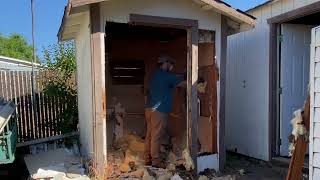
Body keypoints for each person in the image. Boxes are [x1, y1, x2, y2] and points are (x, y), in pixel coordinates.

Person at [144, 55, 186, 168]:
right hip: (159, 110)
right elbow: (183, 84)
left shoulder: (155, 75)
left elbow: (172, 80)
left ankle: (147, 158)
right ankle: (156, 162)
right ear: (165, 63)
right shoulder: (167, 76)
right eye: (170, 63)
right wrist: (195, 80)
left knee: (150, 134)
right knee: (156, 136)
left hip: (150, 108)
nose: (172, 66)